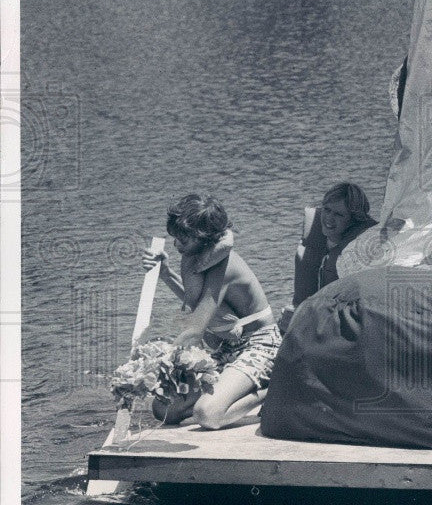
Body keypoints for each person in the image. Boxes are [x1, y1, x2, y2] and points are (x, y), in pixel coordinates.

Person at [141, 194, 280, 429]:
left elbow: (196, 328)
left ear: (204, 238)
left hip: (261, 345)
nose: (177, 246)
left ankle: (274, 388)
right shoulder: (201, 259)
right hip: (229, 347)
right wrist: (165, 274)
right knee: (165, 409)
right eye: (175, 239)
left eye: (184, 240)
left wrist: (153, 363)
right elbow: (201, 302)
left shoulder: (225, 266)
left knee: (207, 414)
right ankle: (231, 391)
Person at [279, 182, 377, 332]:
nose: (329, 218)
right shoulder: (318, 240)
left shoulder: (358, 254)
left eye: (338, 214)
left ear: (354, 219)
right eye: (327, 209)